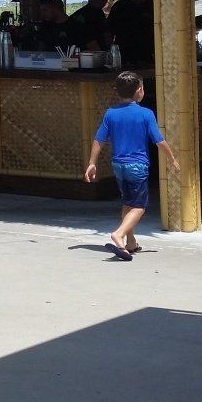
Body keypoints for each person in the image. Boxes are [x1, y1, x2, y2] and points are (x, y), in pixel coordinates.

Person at [84, 71, 182, 260]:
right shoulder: (146, 114)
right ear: (139, 91)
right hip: (137, 165)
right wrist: (172, 159)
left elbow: (99, 139)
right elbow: (159, 141)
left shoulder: (111, 113)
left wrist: (92, 163)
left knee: (128, 202)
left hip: (118, 165)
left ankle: (130, 242)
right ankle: (119, 234)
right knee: (139, 207)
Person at [108, 0, 155, 66]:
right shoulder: (119, 6)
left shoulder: (152, 6)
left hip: (147, 56)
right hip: (123, 57)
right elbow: (109, 31)